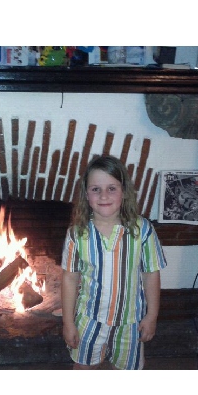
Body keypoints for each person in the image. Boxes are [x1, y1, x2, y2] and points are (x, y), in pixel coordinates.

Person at [61, 155, 167, 370]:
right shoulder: (77, 234)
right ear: (86, 194)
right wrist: (68, 322)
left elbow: (151, 274)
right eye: (95, 189)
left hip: (130, 322)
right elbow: (70, 278)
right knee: (83, 367)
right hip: (89, 319)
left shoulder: (142, 230)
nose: (103, 196)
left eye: (111, 188)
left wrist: (152, 316)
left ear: (124, 191)